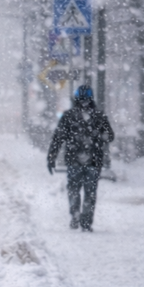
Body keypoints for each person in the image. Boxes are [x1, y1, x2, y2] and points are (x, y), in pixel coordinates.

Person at [47, 85, 115, 231]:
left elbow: (58, 139)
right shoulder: (99, 116)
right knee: (90, 191)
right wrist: (98, 137)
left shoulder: (68, 116)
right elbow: (110, 136)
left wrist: (51, 157)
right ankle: (86, 221)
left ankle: (75, 213)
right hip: (94, 160)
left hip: (74, 160)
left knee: (73, 188)